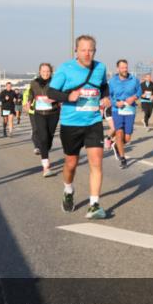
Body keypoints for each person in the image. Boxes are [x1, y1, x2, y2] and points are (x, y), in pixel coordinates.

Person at [45, 35, 111, 219]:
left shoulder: (100, 67)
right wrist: (68, 97)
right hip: (71, 123)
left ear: (95, 51)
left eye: (91, 50)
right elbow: (51, 92)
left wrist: (106, 97)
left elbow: (104, 86)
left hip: (93, 121)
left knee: (97, 162)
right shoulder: (66, 68)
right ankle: (68, 190)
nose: (87, 53)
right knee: (71, 163)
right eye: (83, 50)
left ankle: (94, 204)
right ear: (76, 50)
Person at [27, 63, 60, 177]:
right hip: (39, 113)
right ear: (39, 71)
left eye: (48, 71)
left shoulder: (56, 82)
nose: (45, 73)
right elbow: (31, 93)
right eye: (43, 71)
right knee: (43, 137)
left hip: (53, 113)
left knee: (49, 137)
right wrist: (28, 102)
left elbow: (61, 94)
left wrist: (54, 99)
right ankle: (46, 167)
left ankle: (45, 148)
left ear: (51, 72)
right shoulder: (34, 83)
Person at [108, 59, 140, 168]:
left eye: (126, 67)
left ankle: (117, 145)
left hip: (130, 110)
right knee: (119, 133)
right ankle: (123, 158)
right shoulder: (112, 81)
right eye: (122, 67)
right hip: (117, 110)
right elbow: (108, 96)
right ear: (118, 69)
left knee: (127, 138)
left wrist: (134, 97)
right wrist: (116, 103)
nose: (125, 69)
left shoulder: (134, 80)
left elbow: (139, 91)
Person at [21, 81, 39, 154]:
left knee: (43, 130)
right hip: (32, 111)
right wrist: (25, 105)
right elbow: (25, 96)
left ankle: (42, 144)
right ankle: (36, 146)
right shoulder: (29, 89)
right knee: (35, 129)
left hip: (43, 111)